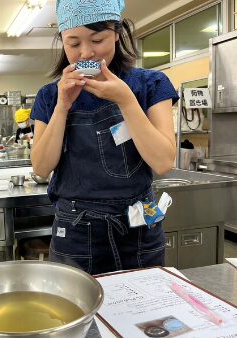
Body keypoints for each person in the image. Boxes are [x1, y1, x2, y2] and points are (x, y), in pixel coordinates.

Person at [30, 0, 179, 275]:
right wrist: (63, 105)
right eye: (73, 44)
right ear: (62, 41)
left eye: (97, 39)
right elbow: (40, 168)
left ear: (117, 34)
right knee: (78, 313)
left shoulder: (151, 84)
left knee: (146, 311)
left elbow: (163, 161)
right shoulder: (50, 96)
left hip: (140, 223)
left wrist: (126, 100)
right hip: (76, 227)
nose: (86, 52)